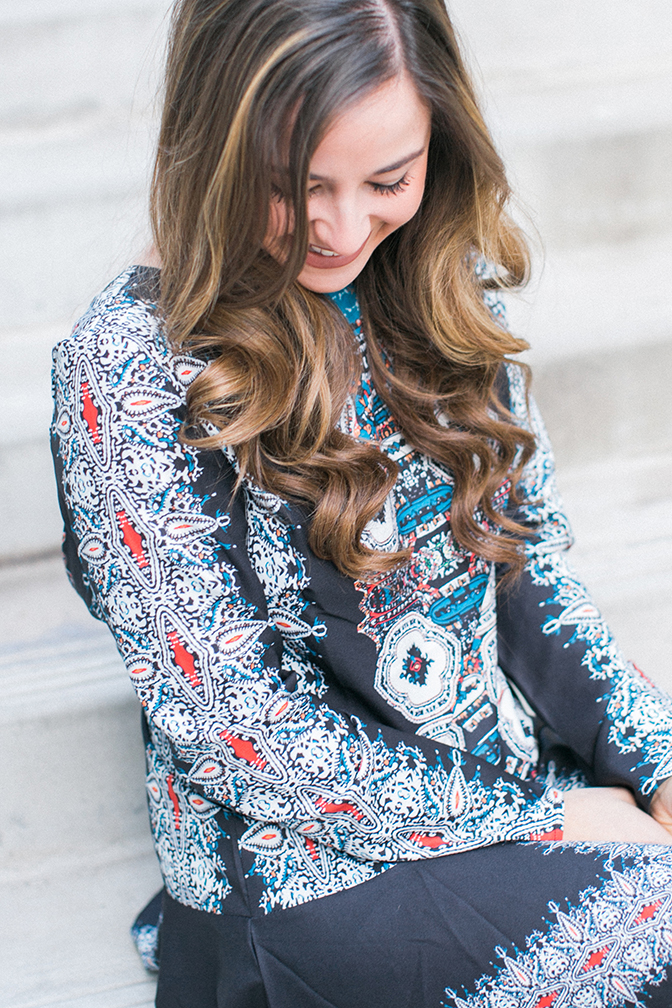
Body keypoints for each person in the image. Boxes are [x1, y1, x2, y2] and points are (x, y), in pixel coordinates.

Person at [50, 0, 672, 1005]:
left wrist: (655, 761)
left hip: (510, 791)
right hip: (298, 878)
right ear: (215, 145)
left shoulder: (441, 276)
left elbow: (528, 570)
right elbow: (241, 734)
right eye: (294, 188)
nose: (343, 228)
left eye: (389, 179)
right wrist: (545, 822)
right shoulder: (126, 371)